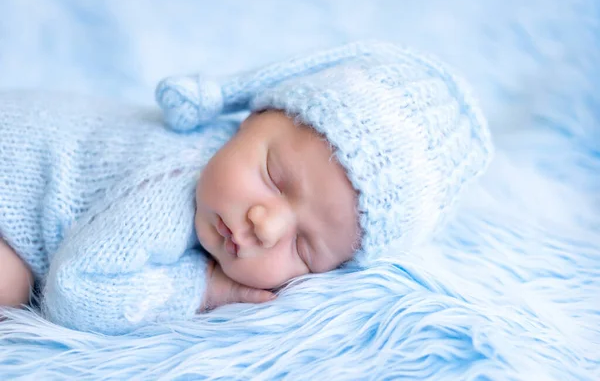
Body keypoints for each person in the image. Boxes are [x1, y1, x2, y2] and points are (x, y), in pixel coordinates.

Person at [0, 41, 493, 334]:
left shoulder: (232, 171)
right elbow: (78, 293)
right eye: (274, 178)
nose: (266, 224)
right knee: (11, 285)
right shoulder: (171, 188)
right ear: (251, 119)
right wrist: (204, 289)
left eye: (304, 247)